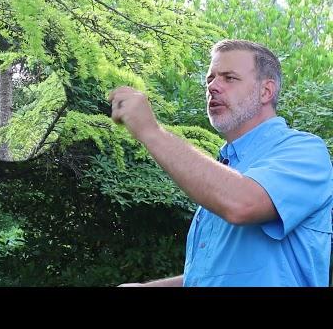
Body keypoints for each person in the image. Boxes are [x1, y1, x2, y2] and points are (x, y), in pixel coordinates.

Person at [109, 39, 333, 287]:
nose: (213, 87)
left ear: (266, 91)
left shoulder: (305, 152)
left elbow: (243, 204)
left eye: (229, 78)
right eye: (210, 79)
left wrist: (151, 132)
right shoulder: (226, 169)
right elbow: (212, 277)